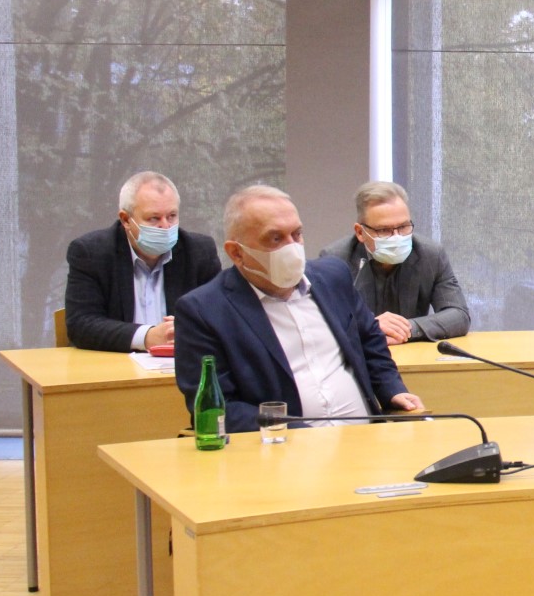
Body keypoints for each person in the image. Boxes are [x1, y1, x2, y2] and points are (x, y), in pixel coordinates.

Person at [174, 185, 423, 432]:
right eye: (275, 238)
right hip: (284, 447)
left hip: (365, 437)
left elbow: (369, 339)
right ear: (237, 253)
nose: (291, 247)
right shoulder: (204, 311)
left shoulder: (333, 276)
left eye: (297, 234)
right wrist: (295, 431)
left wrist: (392, 389)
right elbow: (218, 408)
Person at [63, 171, 221, 352]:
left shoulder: (199, 251)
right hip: (114, 365)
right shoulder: (91, 252)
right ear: (126, 220)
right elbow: (81, 324)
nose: (165, 226)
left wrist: (191, 329)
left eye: (171, 216)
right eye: (154, 218)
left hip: (180, 365)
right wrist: (147, 336)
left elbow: (220, 316)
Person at [318, 181, 472, 344]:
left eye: (404, 226)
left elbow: (459, 315)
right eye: (384, 230)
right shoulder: (334, 260)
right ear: (360, 232)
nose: (397, 237)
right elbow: (322, 323)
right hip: (360, 356)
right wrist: (370, 327)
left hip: (411, 353)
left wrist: (409, 328)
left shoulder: (430, 255)